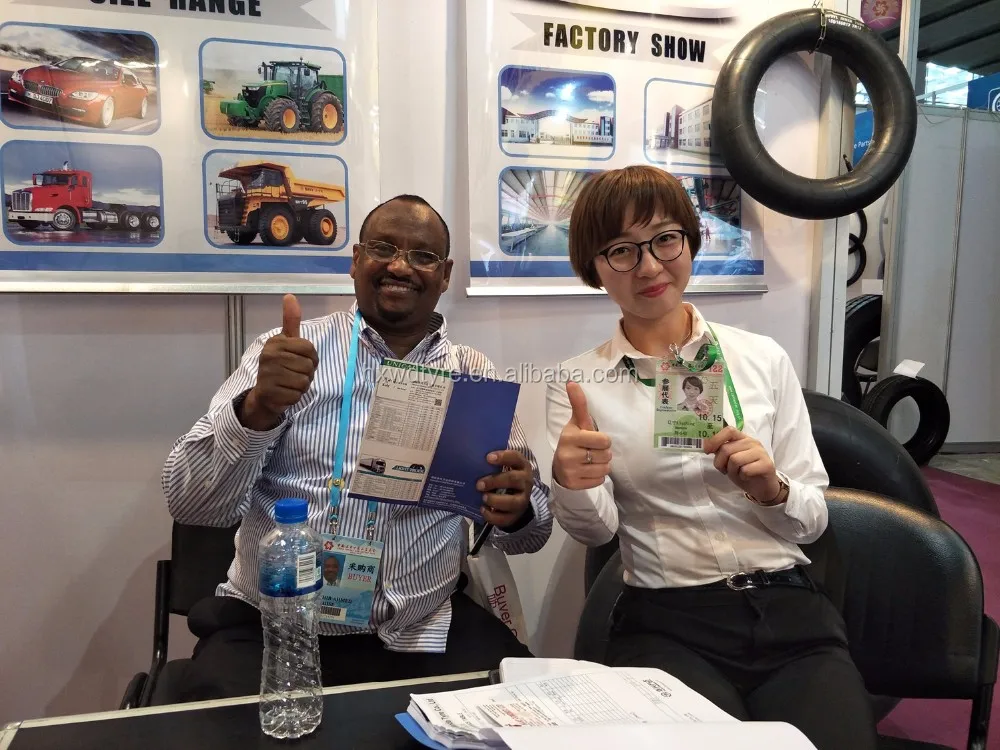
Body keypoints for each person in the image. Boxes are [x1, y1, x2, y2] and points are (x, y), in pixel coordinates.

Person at [165, 194, 552, 700]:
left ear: (445, 274)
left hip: (422, 630)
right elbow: (191, 503)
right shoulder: (288, 355)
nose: (400, 266)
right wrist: (257, 408)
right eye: (383, 248)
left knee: (528, 715)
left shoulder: (472, 374)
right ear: (356, 260)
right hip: (278, 624)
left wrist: (519, 509)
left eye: (422, 255)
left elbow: (531, 536)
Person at [545, 166, 877, 750]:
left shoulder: (762, 358)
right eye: (620, 250)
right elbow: (596, 531)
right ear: (594, 268)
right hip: (666, 620)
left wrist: (773, 490)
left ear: (690, 240)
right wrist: (572, 483)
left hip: (790, 609)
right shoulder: (578, 384)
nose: (649, 266)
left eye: (664, 239)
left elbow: (813, 519)